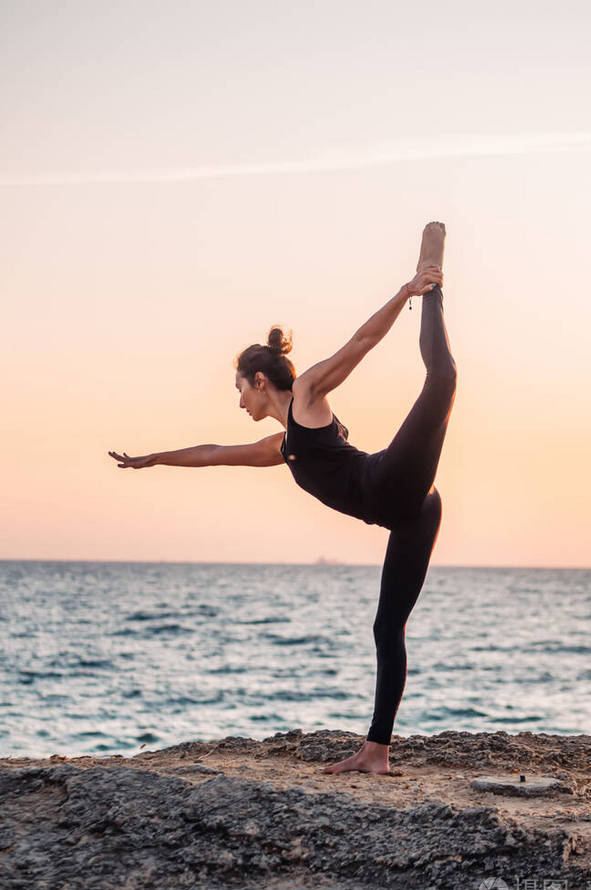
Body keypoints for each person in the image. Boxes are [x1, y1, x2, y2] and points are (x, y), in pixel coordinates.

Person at [108, 221, 456, 775]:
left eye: (240, 388)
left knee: (442, 379)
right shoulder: (283, 445)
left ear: (260, 381)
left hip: (394, 482)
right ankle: (376, 751)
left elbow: (360, 344)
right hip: (410, 516)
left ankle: (432, 280)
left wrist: (406, 292)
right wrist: (155, 458)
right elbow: (213, 452)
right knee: (386, 628)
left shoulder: (308, 397)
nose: (239, 399)